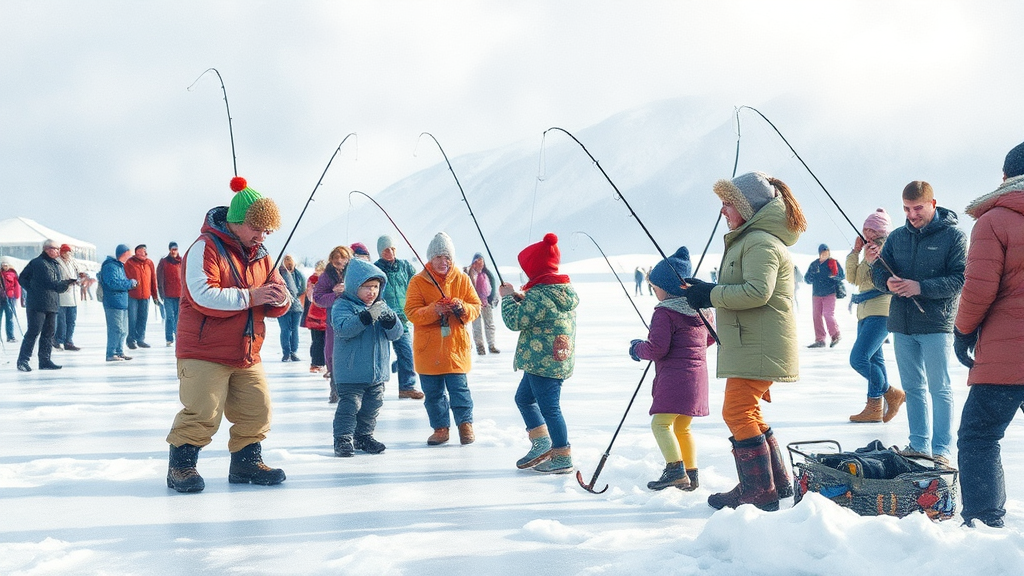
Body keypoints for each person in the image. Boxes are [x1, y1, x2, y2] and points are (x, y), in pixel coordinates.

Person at [681, 171, 806, 512]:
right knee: (747, 411)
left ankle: (757, 491)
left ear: (746, 207)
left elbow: (757, 291)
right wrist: (704, 292)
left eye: (727, 203)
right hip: (754, 342)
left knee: (736, 411)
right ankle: (776, 484)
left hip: (759, 344)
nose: (722, 211)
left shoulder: (760, 241)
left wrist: (711, 294)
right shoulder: (751, 239)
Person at [165, 176, 291, 493]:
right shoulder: (204, 248)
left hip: (247, 351)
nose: (261, 236)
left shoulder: (262, 254)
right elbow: (202, 295)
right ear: (237, 222)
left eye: (266, 230)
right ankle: (181, 468)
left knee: (257, 409)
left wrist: (280, 300)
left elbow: (279, 294)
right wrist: (253, 296)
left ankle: (246, 465)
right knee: (202, 412)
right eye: (256, 228)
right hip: (203, 350)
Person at [954, 141, 1024, 528]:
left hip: (1007, 357)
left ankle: (984, 519)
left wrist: (963, 332)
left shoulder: (995, 220)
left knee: (979, 435)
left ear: (1005, 177)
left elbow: (979, 289)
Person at [872, 181, 966, 466]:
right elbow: (878, 271)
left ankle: (941, 450)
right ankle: (919, 444)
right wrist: (886, 282)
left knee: (940, 388)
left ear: (933, 204)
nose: (911, 215)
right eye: (906, 209)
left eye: (918, 208)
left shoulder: (954, 236)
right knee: (913, 387)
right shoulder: (897, 237)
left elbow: (960, 279)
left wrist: (920, 287)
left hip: (936, 324)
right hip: (902, 324)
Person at [629, 246, 712, 490]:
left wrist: (636, 348)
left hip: (674, 378)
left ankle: (675, 470)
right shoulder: (703, 311)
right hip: (698, 378)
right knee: (683, 427)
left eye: (655, 287)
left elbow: (657, 349)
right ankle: (691, 473)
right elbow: (708, 340)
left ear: (666, 287)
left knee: (661, 424)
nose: (654, 291)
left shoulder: (664, 313)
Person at [499, 233, 578, 474]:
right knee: (523, 399)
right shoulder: (561, 290)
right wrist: (520, 297)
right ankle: (543, 443)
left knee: (550, 408)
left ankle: (562, 454)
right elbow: (541, 313)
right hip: (554, 359)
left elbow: (515, 321)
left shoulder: (539, 295)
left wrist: (506, 299)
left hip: (541, 361)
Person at [405, 232, 481, 446]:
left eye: (446, 257)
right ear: (430, 258)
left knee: (460, 390)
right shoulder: (418, 281)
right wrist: (434, 309)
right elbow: (411, 312)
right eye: (438, 257)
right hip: (428, 350)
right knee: (433, 394)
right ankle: (440, 429)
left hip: (456, 348)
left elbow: (475, 307)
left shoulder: (463, 279)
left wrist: (461, 307)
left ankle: (465, 426)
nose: (442, 261)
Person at [330, 258, 405, 457]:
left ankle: (364, 436)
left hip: (377, 372)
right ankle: (343, 438)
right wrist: (365, 317)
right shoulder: (342, 305)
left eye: (375, 286)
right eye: (366, 287)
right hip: (351, 371)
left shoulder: (382, 306)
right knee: (350, 406)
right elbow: (343, 329)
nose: (371, 291)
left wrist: (390, 321)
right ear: (354, 286)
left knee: (373, 406)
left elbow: (396, 334)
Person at [846, 209, 905, 423]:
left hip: (881, 311)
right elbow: (852, 277)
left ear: (881, 232)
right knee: (874, 360)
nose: (867, 233)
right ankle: (873, 408)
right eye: (865, 229)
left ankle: (892, 393)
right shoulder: (868, 250)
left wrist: (870, 261)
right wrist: (855, 252)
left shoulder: (884, 250)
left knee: (858, 358)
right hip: (866, 311)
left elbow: (865, 278)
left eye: (872, 229)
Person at [374, 235, 424, 400]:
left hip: (402, 317)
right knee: (380, 354)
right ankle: (376, 387)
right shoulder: (375, 270)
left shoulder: (405, 266)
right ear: (380, 251)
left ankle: (407, 386)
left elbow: (417, 284)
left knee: (407, 352)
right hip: (381, 317)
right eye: (386, 249)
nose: (390, 252)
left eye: (392, 248)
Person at [16, 239, 76, 371]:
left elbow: (57, 286)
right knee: (33, 332)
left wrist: (66, 283)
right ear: (47, 249)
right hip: (37, 305)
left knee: (48, 333)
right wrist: (32, 290)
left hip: (52, 303)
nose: (57, 251)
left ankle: (45, 360)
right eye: (55, 249)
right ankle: (23, 360)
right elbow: (24, 279)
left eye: (58, 249)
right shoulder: (39, 263)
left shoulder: (55, 264)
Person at [313, 245, 353, 402]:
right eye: (336, 257)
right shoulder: (325, 276)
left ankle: (352, 391)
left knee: (352, 355)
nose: (339, 260)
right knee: (333, 354)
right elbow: (318, 297)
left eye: (342, 257)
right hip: (334, 321)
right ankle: (335, 390)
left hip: (353, 319)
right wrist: (334, 294)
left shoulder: (354, 273)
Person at [100, 244, 138, 362]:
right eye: (129, 254)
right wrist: (130, 283)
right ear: (124, 253)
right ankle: (111, 353)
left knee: (123, 330)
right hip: (113, 303)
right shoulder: (111, 266)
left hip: (121, 302)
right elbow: (113, 283)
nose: (130, 257)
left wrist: (129, 282)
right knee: (116, 329)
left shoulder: (119, 266)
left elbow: (119, 281)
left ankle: (119, 351)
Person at [804, 244, 845, 348]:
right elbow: (807, 280)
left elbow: (842, 276)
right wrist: (812, 274)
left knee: (827, 314)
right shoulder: (814, 264)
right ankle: (820, 340)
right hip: (816, 294)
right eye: (823, 252)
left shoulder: (832, 263)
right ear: (819, 253)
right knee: (816, 316)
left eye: (826, 252)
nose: (825, 254)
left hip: (830, 293)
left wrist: (834, 276)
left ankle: (835, 335)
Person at [124, 244, 161, 349]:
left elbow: (153, 280)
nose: (142, 252)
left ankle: (140, 339)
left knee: (143, 318)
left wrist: (155, 296)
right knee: (132, 319)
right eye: (140, 251)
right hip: (132, 295)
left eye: (144, 250)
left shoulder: (149, 263)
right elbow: (125, 278)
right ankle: (131, 340)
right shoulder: (129, 263)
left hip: (145, 295)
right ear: (136, 252)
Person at [465, 253, 500, 356]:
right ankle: (480, 347)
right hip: (475, 304)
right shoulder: (469, 274)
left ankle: (491, 345)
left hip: (486, 303)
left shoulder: (487, 275)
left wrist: (491, 299)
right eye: (477, 262)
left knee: (489, 324)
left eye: (481, 262)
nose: (480, 264)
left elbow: (493, 287)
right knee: (477, 326)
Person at [277, 254, 306, 362]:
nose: (289, 264)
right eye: (287, 262)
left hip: (296, 306)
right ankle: (286, 352)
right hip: (282, 305)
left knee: (294, 330)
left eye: (290, 262)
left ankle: (293, 352)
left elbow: (303, 288)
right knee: (286, 330)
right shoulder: (278, 274)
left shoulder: (299, 275)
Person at [54, 244, 82, 351]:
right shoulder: (57, 263)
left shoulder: (73, 262)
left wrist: (80, 278)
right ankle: (59, 340)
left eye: (69, 252)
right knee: (61, 321)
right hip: (63, 295)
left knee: (72, 320)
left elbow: (78, 274)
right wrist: (67, 282)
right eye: (65, 252)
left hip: (74, 295)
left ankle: (69, 341)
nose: (67, 254)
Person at [303, 260, 328, 374]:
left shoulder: (321, 279)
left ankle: (320, 363)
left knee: (321, 340)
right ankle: (317, 363)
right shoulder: (316, 280)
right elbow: (311, 296)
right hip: (319, 313)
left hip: (321, 313)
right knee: (319, 341)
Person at [156, 242, 183, 347]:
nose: (174, 251)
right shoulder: (164, 262)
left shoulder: (181, 262)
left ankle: (178, 336)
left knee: (178, 317)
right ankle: (169, 338)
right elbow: (159, 277)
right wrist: (160, 292)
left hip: (180, 295)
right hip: (168, 295)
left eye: (175, 249)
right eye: (172, 249)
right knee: (170, 317)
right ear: (169, 250)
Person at [1, 257, 21, 343]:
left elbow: (17, 286)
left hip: (10, 298)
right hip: (1, 298)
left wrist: (16, 296)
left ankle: (10, 336)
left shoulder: (13, 274)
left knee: (10, 318)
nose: (5, 267)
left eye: (6, 265)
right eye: (3, 265)